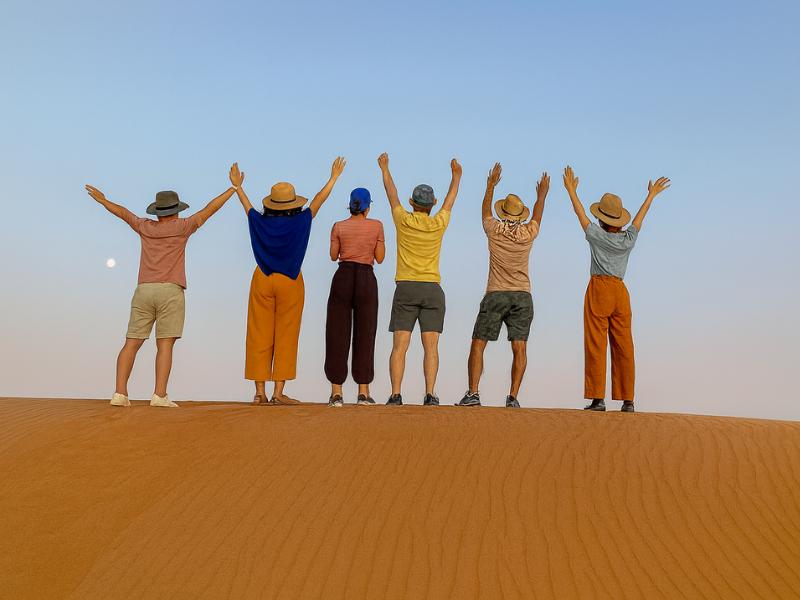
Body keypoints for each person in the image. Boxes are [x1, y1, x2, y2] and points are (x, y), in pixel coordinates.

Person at [85, 176, 237, 407]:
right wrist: (233, 188)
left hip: (144, 289)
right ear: (176, 211)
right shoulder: (184, 227)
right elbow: (210, 209)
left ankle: (119, 393)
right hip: (170, 290)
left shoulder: (145, 226)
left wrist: (103, 200)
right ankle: (159, 395)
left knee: (131, 342)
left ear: (157, 212)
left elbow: (123, 213)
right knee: (165, 345)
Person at [230, 158, 345, 405]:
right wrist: (333, 178)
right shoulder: (301, 220)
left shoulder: (260, 221)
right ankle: (278, 393)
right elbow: (318, 200)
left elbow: (247, 206)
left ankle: (259, 392)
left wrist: (239, 187)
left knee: (258, 333)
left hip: (262, 277)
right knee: (286, 333)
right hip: (291, 278)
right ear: (293, 202)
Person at [562, 165, 670, 412]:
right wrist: (650, 195)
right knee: (624, 345)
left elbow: (581, 217)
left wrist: (571, 191)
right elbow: (640, 220)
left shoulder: (597, 236)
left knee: (596, 343)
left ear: (601, 219)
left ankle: (598, 399)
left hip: (599, 287)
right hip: (621, 292)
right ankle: (628, 399)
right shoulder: (627, 239)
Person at [457, 163, 549, 408]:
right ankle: (513, 397)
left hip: (496, 292)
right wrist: (542, 195)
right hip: (522, 295)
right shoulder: (528, 232)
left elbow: (485, 210)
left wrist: (490, 185)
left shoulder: (494, 229)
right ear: (521, 215)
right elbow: (538, 214)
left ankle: (473, 393)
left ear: (504, 212)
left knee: (478, 343)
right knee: (520, 347)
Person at [377, 152, 462, 406]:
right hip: (432, 288)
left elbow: (391, 193)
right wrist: (456, 176)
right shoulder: (438, 223)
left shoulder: (402, 220)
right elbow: (451, 200)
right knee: (431, 347)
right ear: (432, 203)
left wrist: (385, 169)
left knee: (400, 345)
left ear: (411, 202)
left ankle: (395, 394)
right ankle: (430, 393)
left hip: (406, 287)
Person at [324, 188, 386, 406]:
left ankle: (336, 393)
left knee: (336, 333)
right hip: (366, 278)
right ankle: (363, 392)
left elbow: (333, 256)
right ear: (368, 207)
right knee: (366, 332)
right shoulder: (376, 226)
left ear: (350, 205)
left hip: (343, 276)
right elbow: (380, 258)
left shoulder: (338, 226)